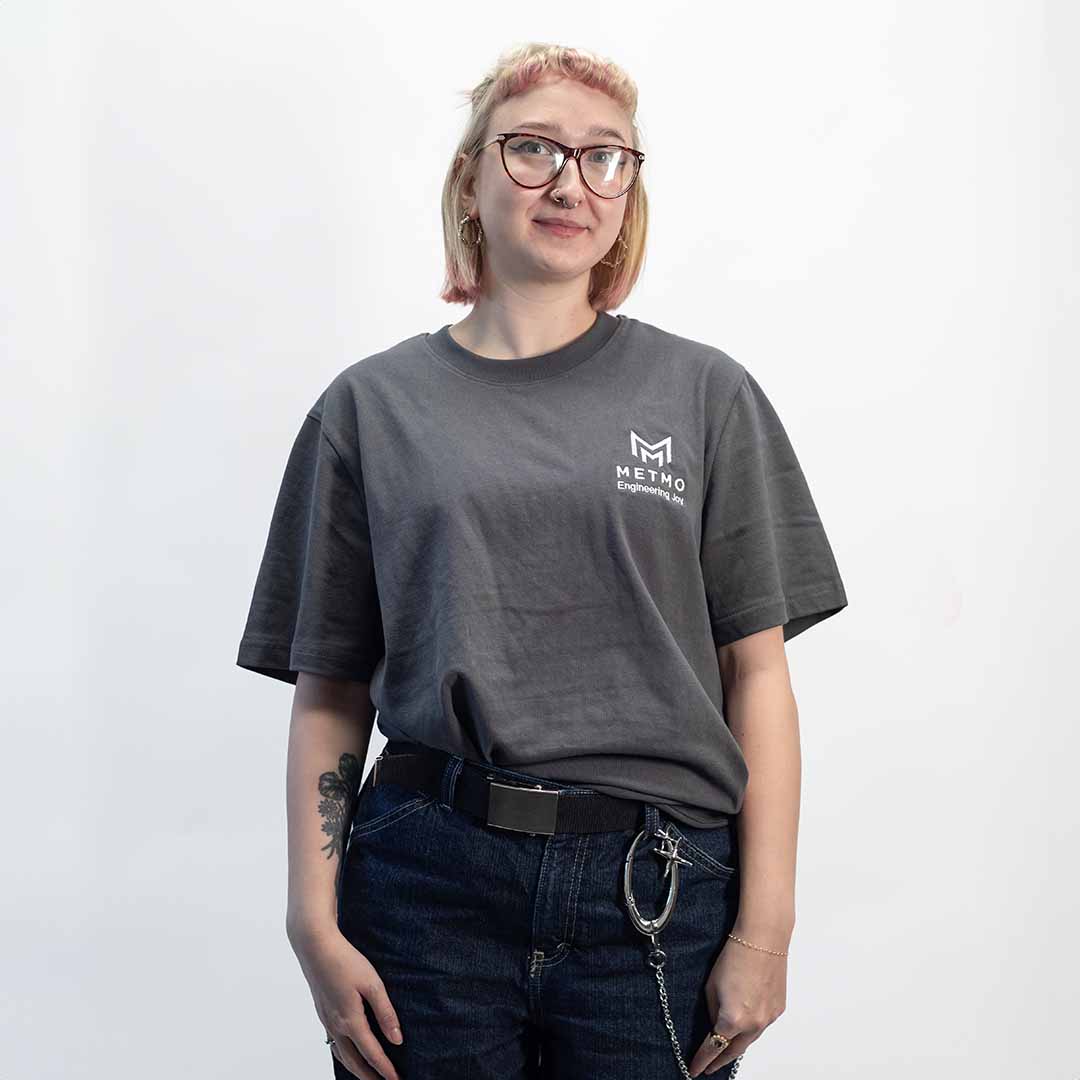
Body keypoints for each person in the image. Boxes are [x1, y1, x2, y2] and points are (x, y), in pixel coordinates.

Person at [236, 41, 848, 1080]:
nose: (572, 181)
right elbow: (330, 686)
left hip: (655, 894)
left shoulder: (707, 398)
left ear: (629, 192)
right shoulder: (369, 412)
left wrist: (766, 930)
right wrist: (313, 921)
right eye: (533, 150)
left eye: (607, 157)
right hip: (426, 884)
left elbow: (760, 677)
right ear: (471, 180)